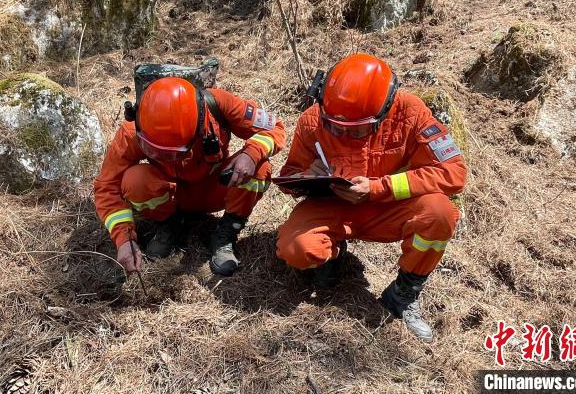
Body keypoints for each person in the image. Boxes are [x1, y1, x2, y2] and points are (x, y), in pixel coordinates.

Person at [275, 53, 467, 342]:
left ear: (385, 110)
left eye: (358, 129)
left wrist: (380, 188)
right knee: (295, 250)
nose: (343, 134)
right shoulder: (313, 120)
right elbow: (288, 178)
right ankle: (334, 257)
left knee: (440, 213)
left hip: (388, 209)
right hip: (333, 208)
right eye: (335, 127)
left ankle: (403, 294)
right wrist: (308, 176)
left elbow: (454, 174)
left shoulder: (411, 112)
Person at [95, 76, 285, 276]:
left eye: (175, 152)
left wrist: (251, 154)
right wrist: (124, 240)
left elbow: (275, 128)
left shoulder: (220, 105)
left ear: (199, 126)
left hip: (215, 190)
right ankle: (169, 226)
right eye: (157, 152)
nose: (168, 158)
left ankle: (227, 233)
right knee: (134, 181)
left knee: (260, 167)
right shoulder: (132, 132)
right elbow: (107, 187)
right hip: (170, 196)